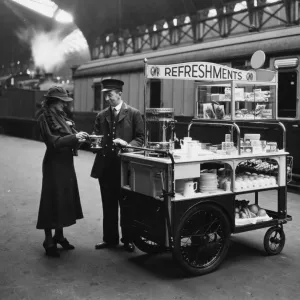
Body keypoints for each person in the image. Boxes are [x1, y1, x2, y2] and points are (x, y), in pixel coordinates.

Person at [91, 79, 144, 252]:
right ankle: (110, 239)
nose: (107, 98)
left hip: (125, 167)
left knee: (127, 206)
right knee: (108, 204)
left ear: (120, 94)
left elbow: (141, 139)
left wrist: (127, 144)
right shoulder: (101, 115)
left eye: (110, 95)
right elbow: (96, 137)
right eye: (106, 95)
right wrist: (93, 142)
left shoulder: (134, 114)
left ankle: (128, 239)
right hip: (106, 167)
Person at [36, 86, 89, 257]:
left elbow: (70, 140)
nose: (64, 105)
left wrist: (80, 138)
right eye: (61, 102)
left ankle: (59, 235)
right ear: (53, 102)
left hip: (66, 163)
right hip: (53, 164)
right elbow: (52, 142)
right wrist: (74, 137)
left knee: (63, 198)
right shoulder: (43, 118)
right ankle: (48, 239)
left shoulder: (62, 116)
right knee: (51, 200)